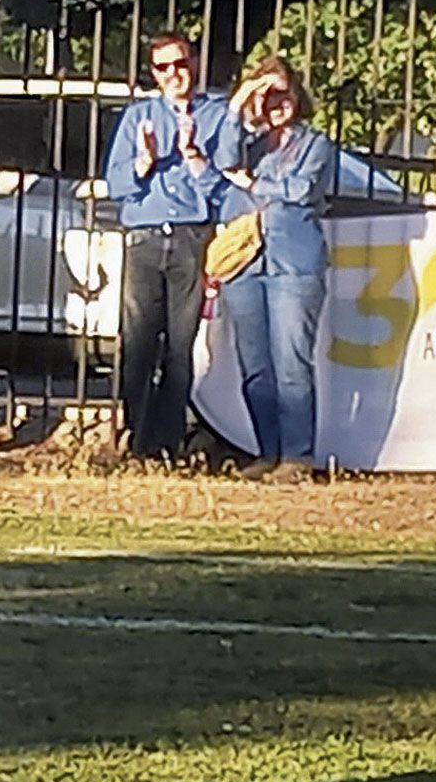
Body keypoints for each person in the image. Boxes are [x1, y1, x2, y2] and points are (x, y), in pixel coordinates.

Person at [103, 32, 240, 459]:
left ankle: (166, 442)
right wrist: (144, 162)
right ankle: (138, 437)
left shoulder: (218, 116)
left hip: (190, 237)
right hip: (145, 237)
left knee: (181, 347)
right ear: (154, 74)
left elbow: (224, 189)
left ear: (194, 64)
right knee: (138, 341)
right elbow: (115, 184)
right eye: (163, 67)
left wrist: (194, 155)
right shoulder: (138, 117)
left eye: (180, 64)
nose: (174, 74)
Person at [219, 56, 335, 480]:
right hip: (246, 263)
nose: (277, 101)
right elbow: (223, 159)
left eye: (283, 91)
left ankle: (297, 457)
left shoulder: (316, 144)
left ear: (298, 94)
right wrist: (240, 105)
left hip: (294, 264)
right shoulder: (251, 141)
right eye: (268, 94)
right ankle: (267, 452)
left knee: (291, 363)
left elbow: (301, 190)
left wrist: (253, 183)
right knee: (255, 364)